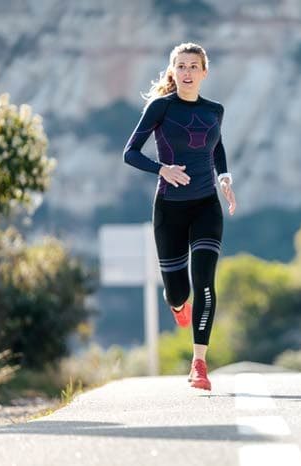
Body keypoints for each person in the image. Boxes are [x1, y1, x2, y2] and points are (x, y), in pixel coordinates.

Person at [123, 42, 236, 391]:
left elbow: (215, 145)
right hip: (170, 208)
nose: (187, 72)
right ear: (173, 71)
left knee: (204, 282)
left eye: (193, 66)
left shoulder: (215, 110)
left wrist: (224, 176)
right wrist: (162, 169)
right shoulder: (161, 107)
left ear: (204, 72)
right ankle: (176, 304)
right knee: (178, 291)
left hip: (206, 206)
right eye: (181, 66)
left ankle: (199, 363)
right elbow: (130, 153)